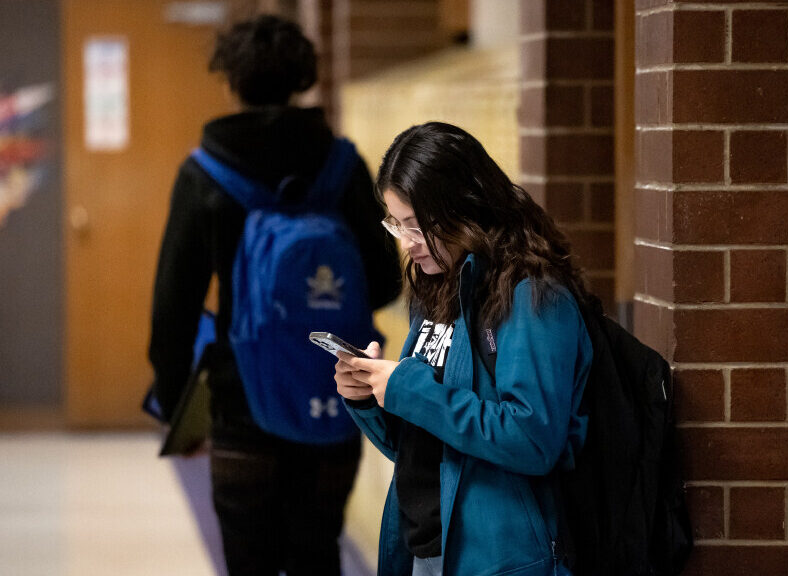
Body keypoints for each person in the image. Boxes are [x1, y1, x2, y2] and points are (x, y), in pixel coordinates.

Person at [148, 14, 402, 575]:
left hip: (241, 407)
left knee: (248, 560)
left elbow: (173, 311)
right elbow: (384, 283)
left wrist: (176, 409)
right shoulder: (342, 165)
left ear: (230, 83)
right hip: (333, 397)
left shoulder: (204, 174)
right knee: (318, 554)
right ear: (302, 79)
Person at [333, 122, 594, 576]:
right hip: (428, 547)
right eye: (397, 224)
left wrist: (410, 389)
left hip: (500, 556)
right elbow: (428, 442)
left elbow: (533, 439)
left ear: (465, 210)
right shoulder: (437, 288)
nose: (408, 244)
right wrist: (371, 398)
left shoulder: (533, 296)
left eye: (417, 227)